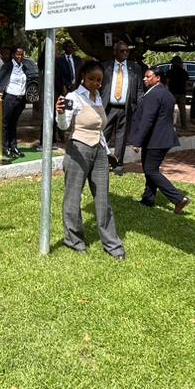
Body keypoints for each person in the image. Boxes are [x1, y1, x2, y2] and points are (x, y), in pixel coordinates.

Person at [54, 61, 125, 259]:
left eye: (99, 80)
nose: (95, 83)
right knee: (73, 197)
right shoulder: (72, 97)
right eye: (91, 78)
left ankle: (112, 244)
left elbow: (99, 127)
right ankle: (74, 240)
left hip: (99, 151)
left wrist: (107, 150)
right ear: (83, 76)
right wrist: (60, 112)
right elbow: (63, 125)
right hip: (78, 150)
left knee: (103, 199)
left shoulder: (98, 98)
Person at [126, 66, 190, 214]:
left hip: (156, 139)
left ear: (157, 78)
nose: (144, 79)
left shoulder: (154, 95)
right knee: (149, 169)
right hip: (159, 138)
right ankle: (148, 199)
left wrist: (137, 141)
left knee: (151, 170)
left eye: (148, 76)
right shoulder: (165, 93)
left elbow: (148, 120)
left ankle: (178, 198)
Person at [101, 41, 144, 172]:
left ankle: (118, 164)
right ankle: (102, 161)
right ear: (115, 52)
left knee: (122, 137)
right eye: (122, 51)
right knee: (103, 135)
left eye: (127, 51)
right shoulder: (105, 66)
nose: (125, 53)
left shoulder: (134, 67)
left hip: (126, 108)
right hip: (108, 107)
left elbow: (139, 89)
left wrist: (139, 106)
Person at [0, 46, 38, 159]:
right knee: (5, 124)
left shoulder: (24, 67)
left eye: (22, 55)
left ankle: (13, 147)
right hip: (9, 98)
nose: (20, 57)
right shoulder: (8, 66)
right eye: (18, 54)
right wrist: (0, 92)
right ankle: (5, 148)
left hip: (20, 99)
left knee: (13, 124)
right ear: (13, 55)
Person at [167, 56, 190, 131]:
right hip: (182, 93)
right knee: (182, 110)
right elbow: (186, 83)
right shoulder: (184, 72)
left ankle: (170, 125)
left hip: (172, 92)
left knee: (170, 110)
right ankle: (184, 126)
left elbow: (167, 82)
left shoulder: (170, 72)